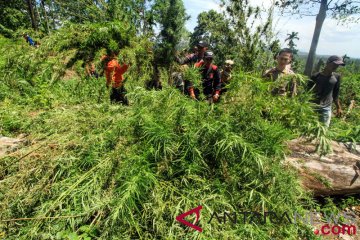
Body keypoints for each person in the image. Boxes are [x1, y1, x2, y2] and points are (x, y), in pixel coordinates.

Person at [307, 55, 345, 127]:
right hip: (312, 106)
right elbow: (307, 92)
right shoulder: (315, 76)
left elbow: (336, 94)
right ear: (328, 62)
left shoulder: (337, 77)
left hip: (326, 108)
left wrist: (338, 108)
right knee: (309, 128)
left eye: (338, 65)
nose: (336, 67)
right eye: (334, 64)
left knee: (323, 130)